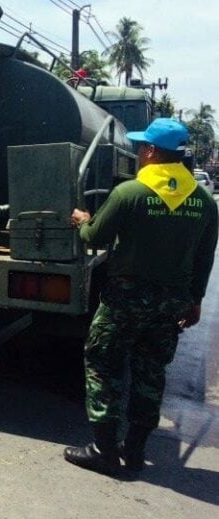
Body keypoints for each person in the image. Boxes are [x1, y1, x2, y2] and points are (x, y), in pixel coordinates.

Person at [64, 118, 218, 475]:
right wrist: (195, 299)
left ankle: (103, 449)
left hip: (126, 299)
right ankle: (133, 450)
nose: (138, 153)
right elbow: (204, 258)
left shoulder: (130, 193)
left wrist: (83, 219)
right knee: (151, 372)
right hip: (172, 303)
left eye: (140, 148)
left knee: (103, 364)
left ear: (150, 151)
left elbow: (94, 237)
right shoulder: (204, 202)